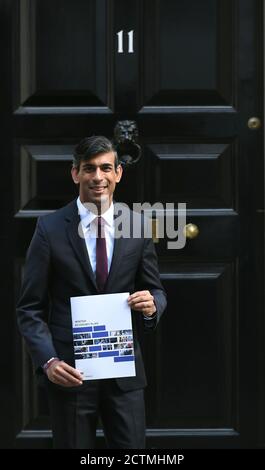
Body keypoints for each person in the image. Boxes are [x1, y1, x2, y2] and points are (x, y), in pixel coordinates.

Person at [16, 135, 167, 449]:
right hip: (71, 374)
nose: (98, 177)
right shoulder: (49, 229)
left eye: (105, 168)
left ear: (118, 174)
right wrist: (48, 362)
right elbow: (29, 308)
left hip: (124, 378)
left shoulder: (137, 227)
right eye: (89, 169)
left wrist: (152, 306)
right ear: (75, 173)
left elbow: (156, 290)